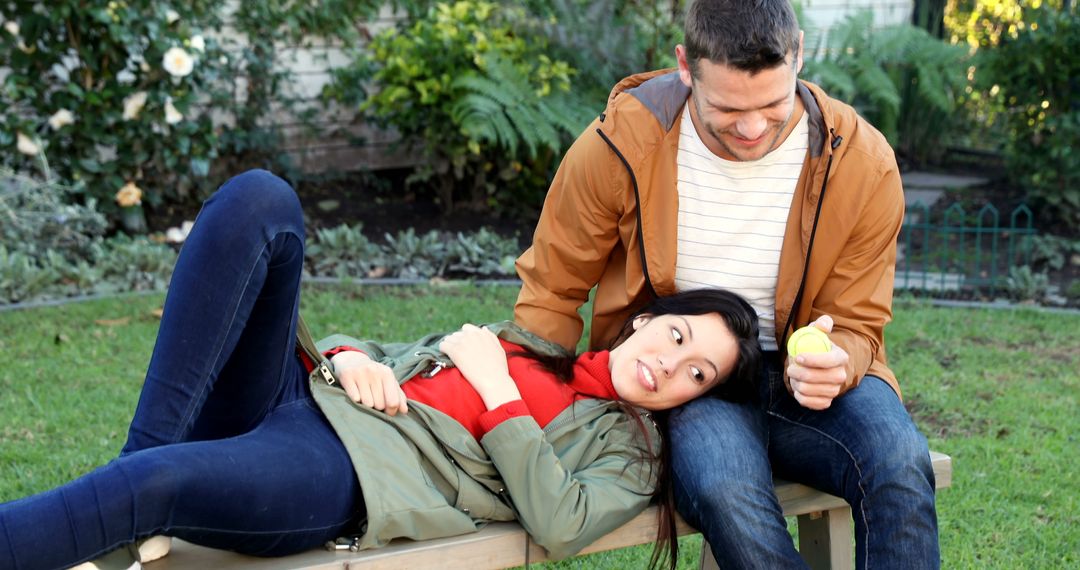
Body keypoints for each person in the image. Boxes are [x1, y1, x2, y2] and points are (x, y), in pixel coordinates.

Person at [0, 169, 761, 570]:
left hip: (338, 470)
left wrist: (499, 396)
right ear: (647, 318)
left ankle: (131, 493)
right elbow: (396, 357)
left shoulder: (631, 452)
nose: (671, 367)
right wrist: (349, 354)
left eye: (698, 375)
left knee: (153, 486)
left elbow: (560, 525)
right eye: (678, 337)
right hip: (302, 397)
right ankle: (135, 481)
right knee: (260, 202)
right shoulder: (537, 344)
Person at [512, 0, 939, 568]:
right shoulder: (619, 146)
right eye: (728, 108)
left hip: (809, 382)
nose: (753, 127)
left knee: (899, 461)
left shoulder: (862, 163)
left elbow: (858, 322)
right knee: (725, 489)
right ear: (686, 67)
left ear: (800, 56)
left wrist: (837, 358)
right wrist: (525, 402)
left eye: (772, 103)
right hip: (691, 381)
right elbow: (553, 289)